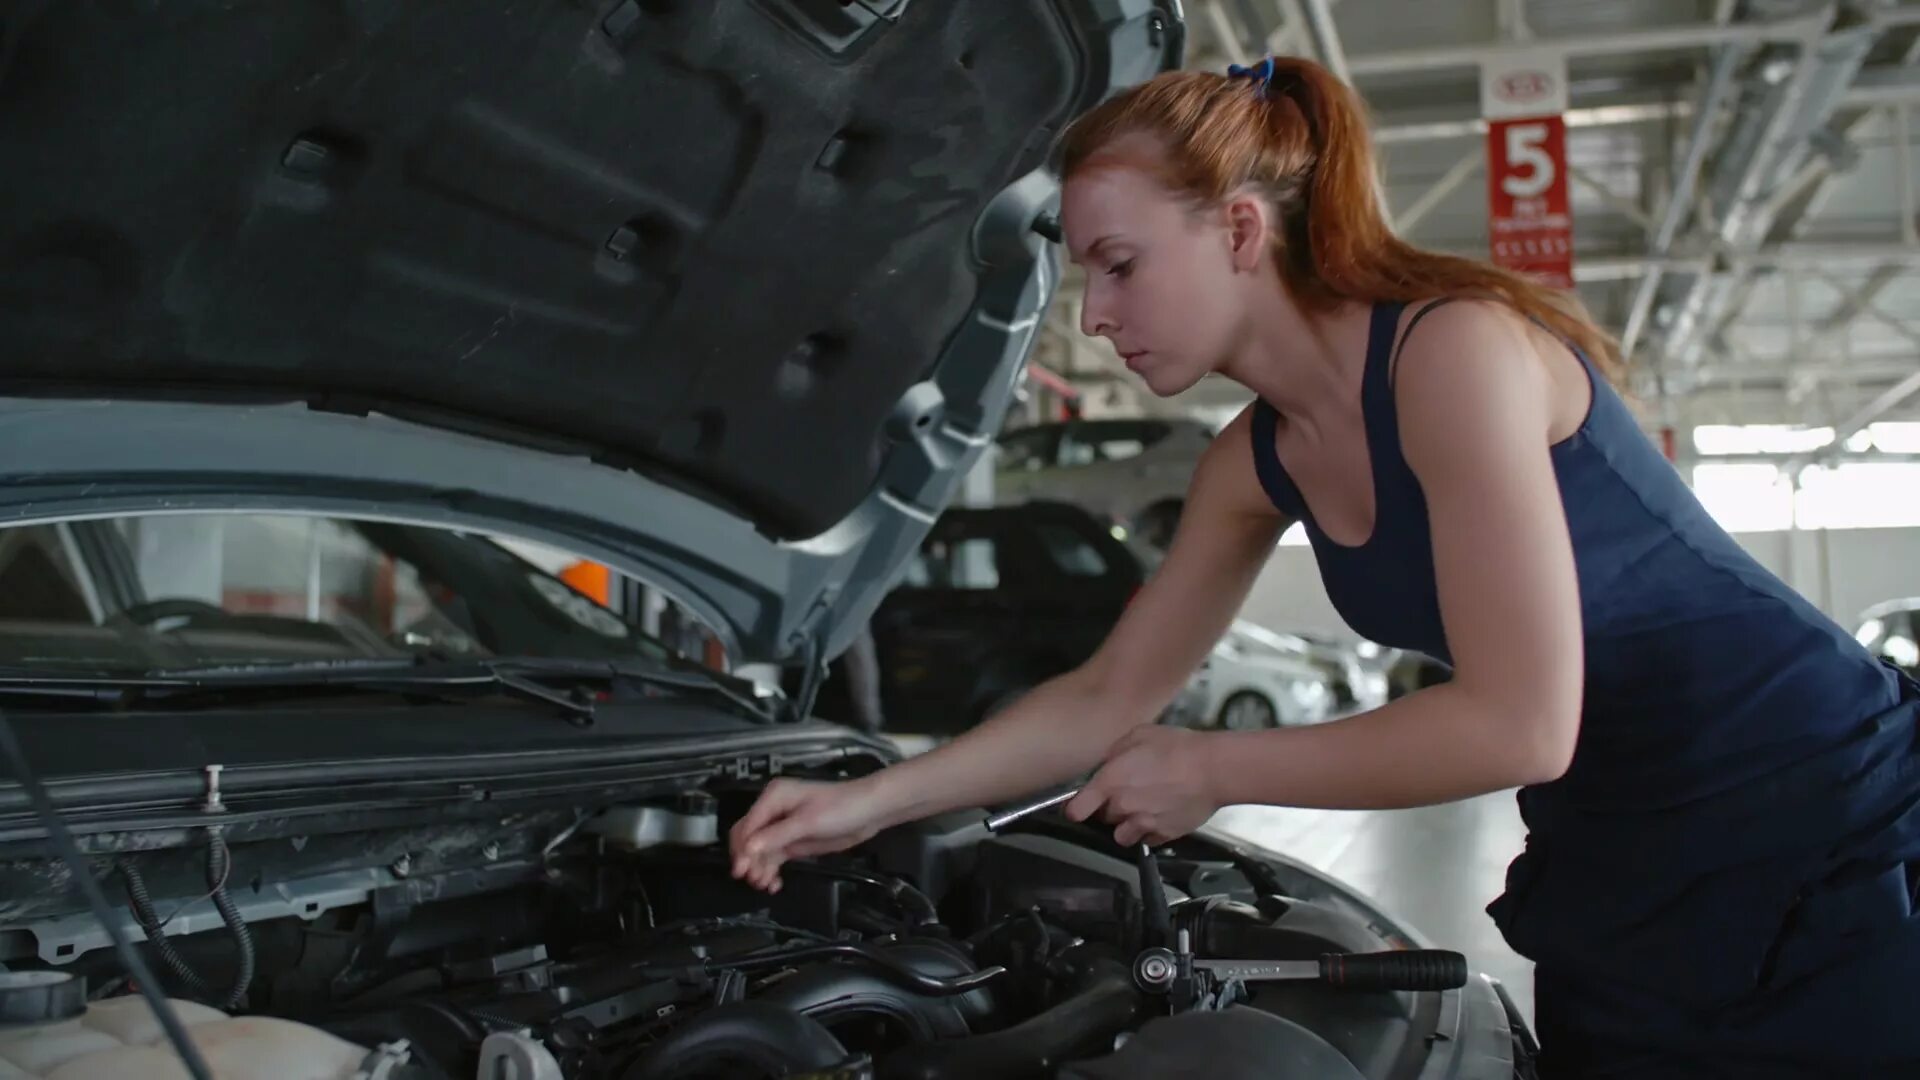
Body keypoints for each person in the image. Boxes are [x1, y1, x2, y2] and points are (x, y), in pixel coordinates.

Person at [730, 54, 1920, 1078]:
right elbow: (1104, 697)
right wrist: (871, 800)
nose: (1093, 315)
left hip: (1814, 817)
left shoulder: (1455, 355)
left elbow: (1521, 724)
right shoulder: (1252, 463)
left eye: (1119, 263)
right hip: (1621, 853)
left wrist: (1213, 766)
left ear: (1241, 230)